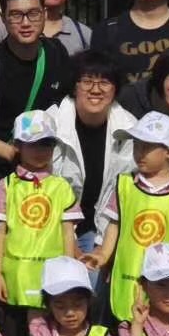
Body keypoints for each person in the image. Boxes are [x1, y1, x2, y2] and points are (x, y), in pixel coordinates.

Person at [88, 111, 169, 321]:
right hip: (125, 280)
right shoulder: (124, 185)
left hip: (167, 289)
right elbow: (114, 225)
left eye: (147, 147)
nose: (139, 152)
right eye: (136, 145)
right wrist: (103, 255)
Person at [0, 111, 80, 336]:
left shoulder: (62, 187)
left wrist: (68, 273)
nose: (40, 151)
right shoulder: (6, 185)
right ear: (18, 146)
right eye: (32, 144)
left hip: (51, 280)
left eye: (46, 144)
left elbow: (68, 233)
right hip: (15, 277)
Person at [0, 0, 71, 183]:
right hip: (2, 175)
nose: (25, 23)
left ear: (44, 13)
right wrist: (8, 151)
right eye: (16, 15)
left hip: (48, 173)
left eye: (33, 13)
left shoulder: (56, 53)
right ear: (3, 18)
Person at [56, 51, 133, 252]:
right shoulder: (52, 124)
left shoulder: (130, 130)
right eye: (87, 81)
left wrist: (103, 247)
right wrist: (71, 245)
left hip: (103, 230)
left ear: (115, 89)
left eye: (105, 83)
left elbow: (123, 194)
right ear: (75, 86)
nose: (96, 90)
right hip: (54, 227)